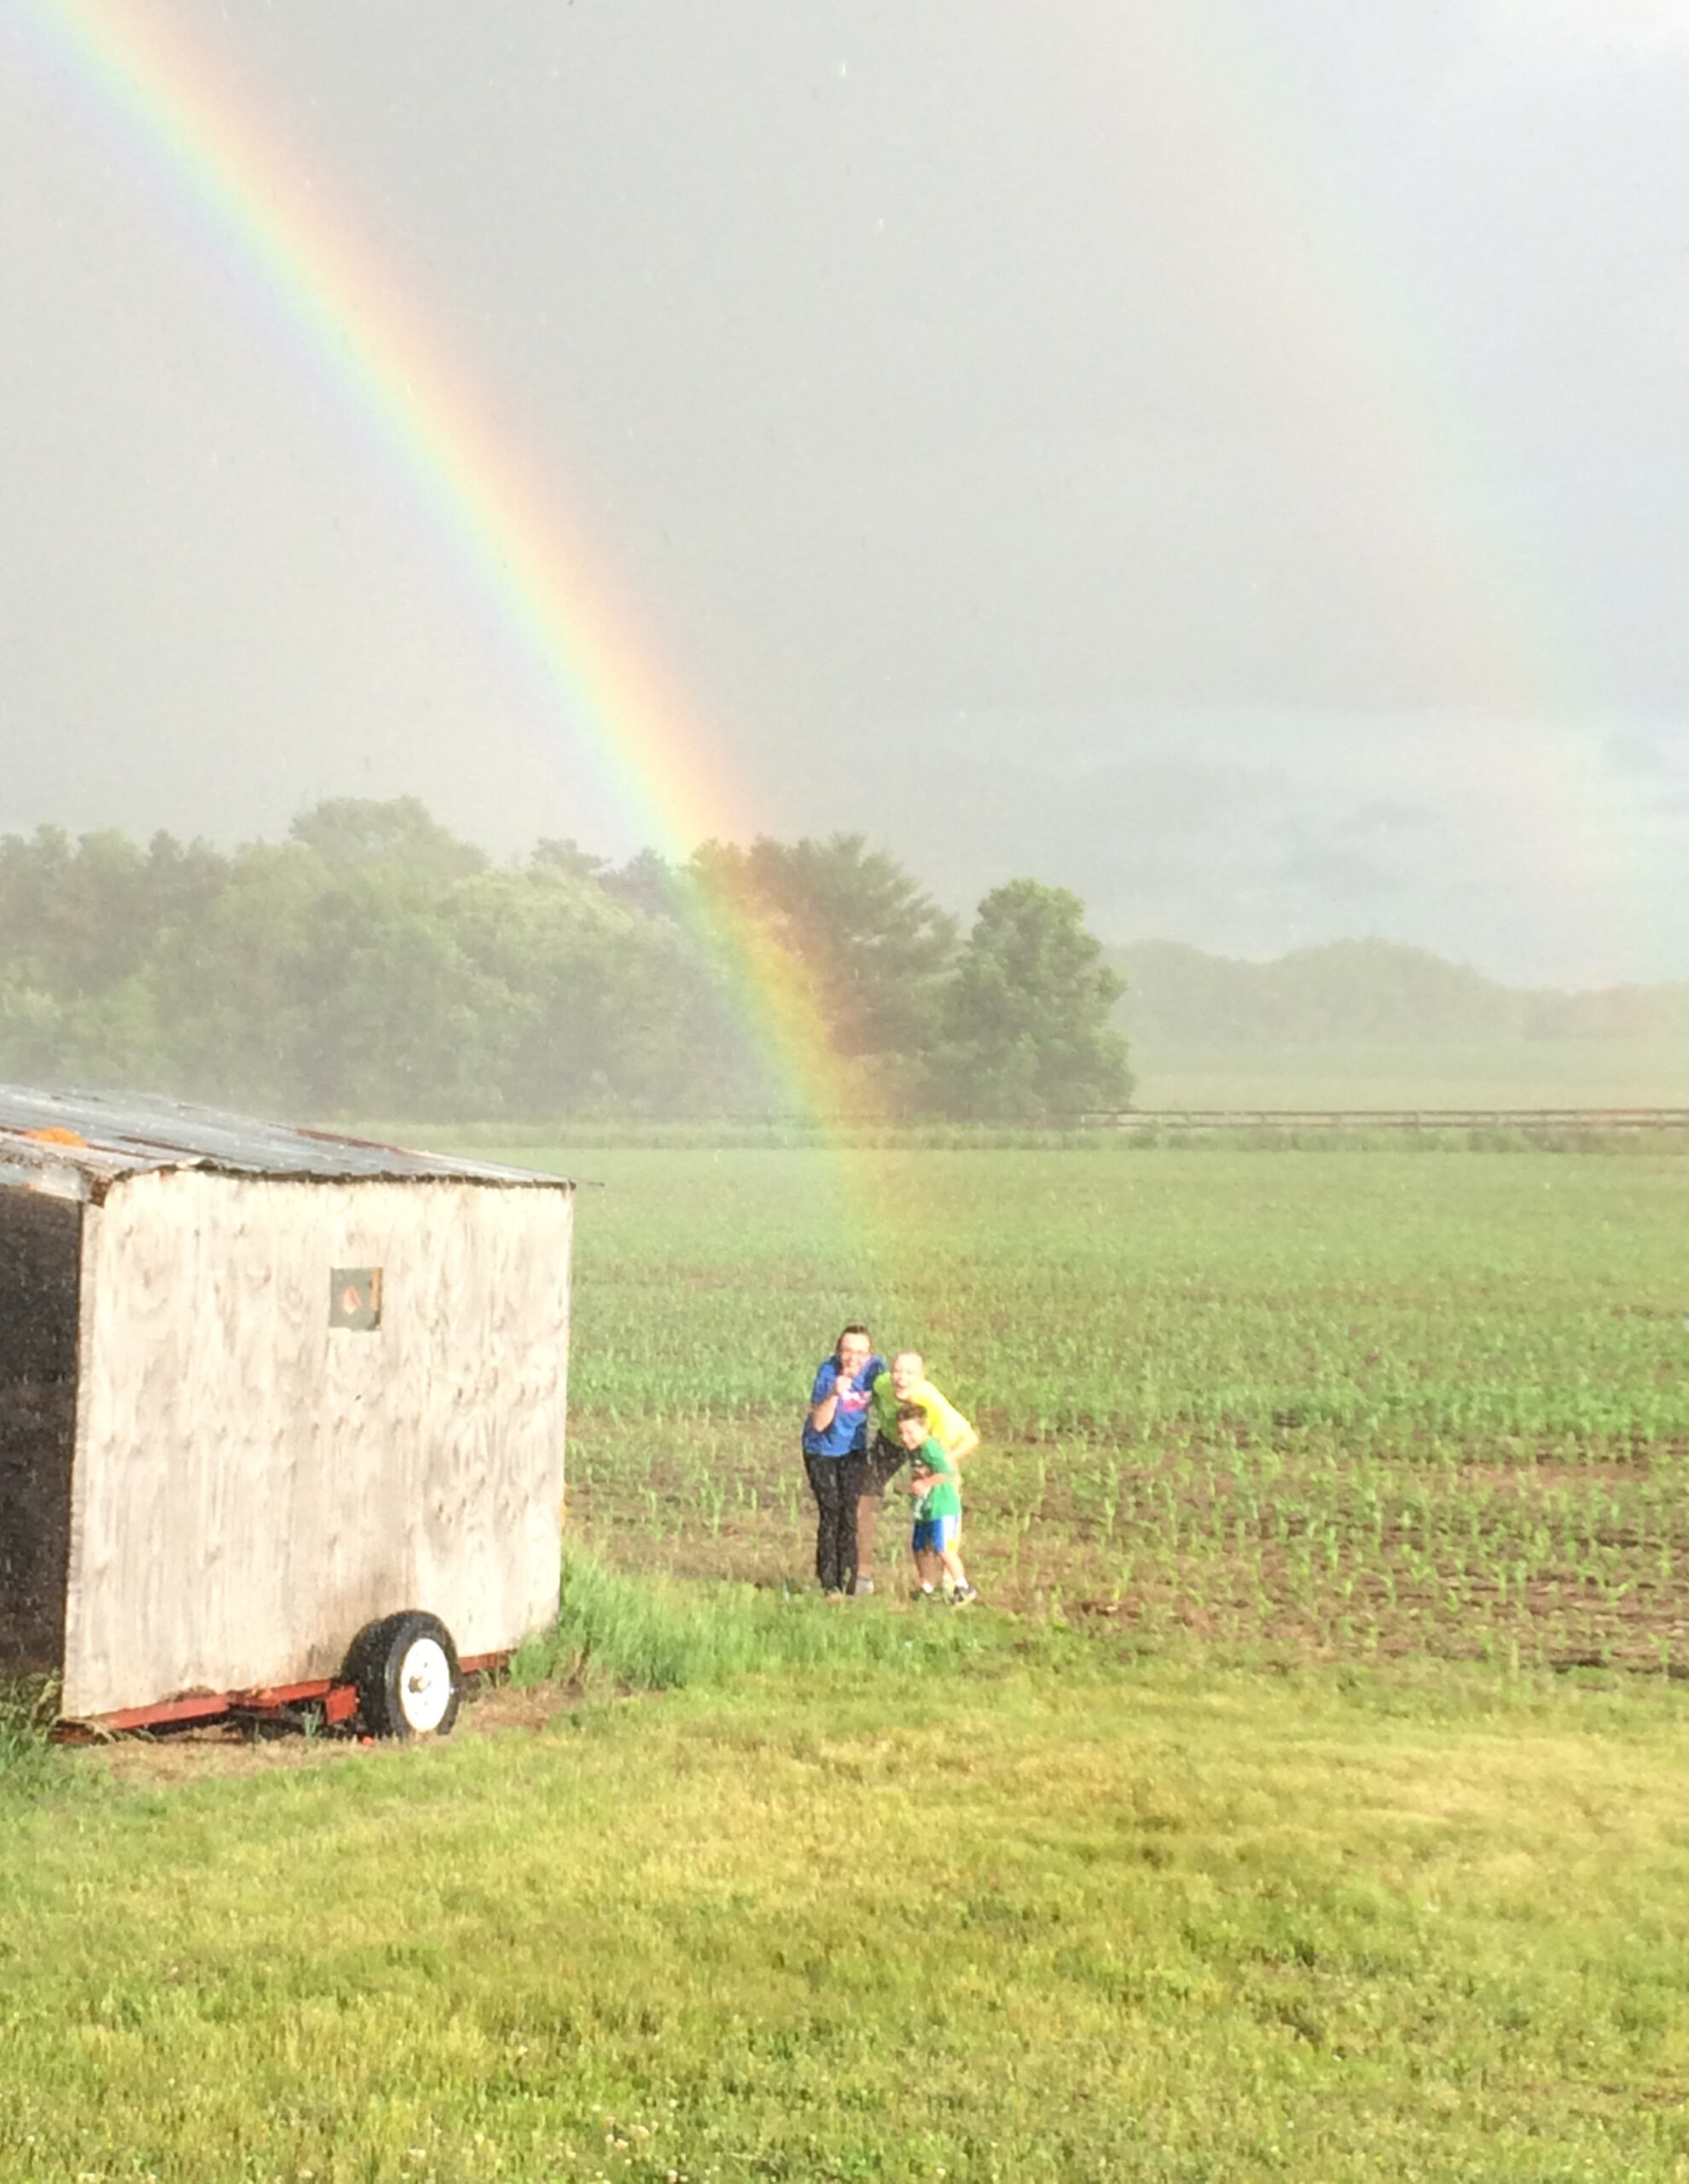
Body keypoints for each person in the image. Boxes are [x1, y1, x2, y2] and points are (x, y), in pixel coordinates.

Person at [857, 1349, 978, 1593]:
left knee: (943, 1506)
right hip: (892, 1440)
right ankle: (863, 1576)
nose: (901, 1379)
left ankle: (950, 1580)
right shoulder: (882, 1385)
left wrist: (944, 1463)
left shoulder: (932, 1403)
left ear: (921, 1378)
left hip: (930, 1446)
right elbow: (867, 1398)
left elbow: (971, 1439)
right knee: (863, 1494)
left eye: (909, 1373)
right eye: (897, 1372)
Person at [802, 1323, 885, 1599]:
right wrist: (835, 1393)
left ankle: (849, 1582)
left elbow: (894, 1395)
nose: (853, 1358)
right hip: (821, 1450)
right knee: (831, 1512)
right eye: (847, 1351)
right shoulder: (827, 1373)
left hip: (854, 1450)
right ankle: (829, 1585)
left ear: (870, 1355)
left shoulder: (876, 1370)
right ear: (838, 1352)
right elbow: (819, 1422)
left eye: (860, 1352)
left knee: (850, 1513)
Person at [897, 1402, 977, 1604]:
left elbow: (946, 1472)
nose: (906, 1438)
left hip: (943, 1508)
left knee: (944, 1549)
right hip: (925, 1508)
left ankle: (963, 1586)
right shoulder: (913, 1449)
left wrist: (925, 1482)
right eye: (901, 1433)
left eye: (910, 1432)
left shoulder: (930, 1447)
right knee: (920, 1547)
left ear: (924, 1428)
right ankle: (927, 1587)